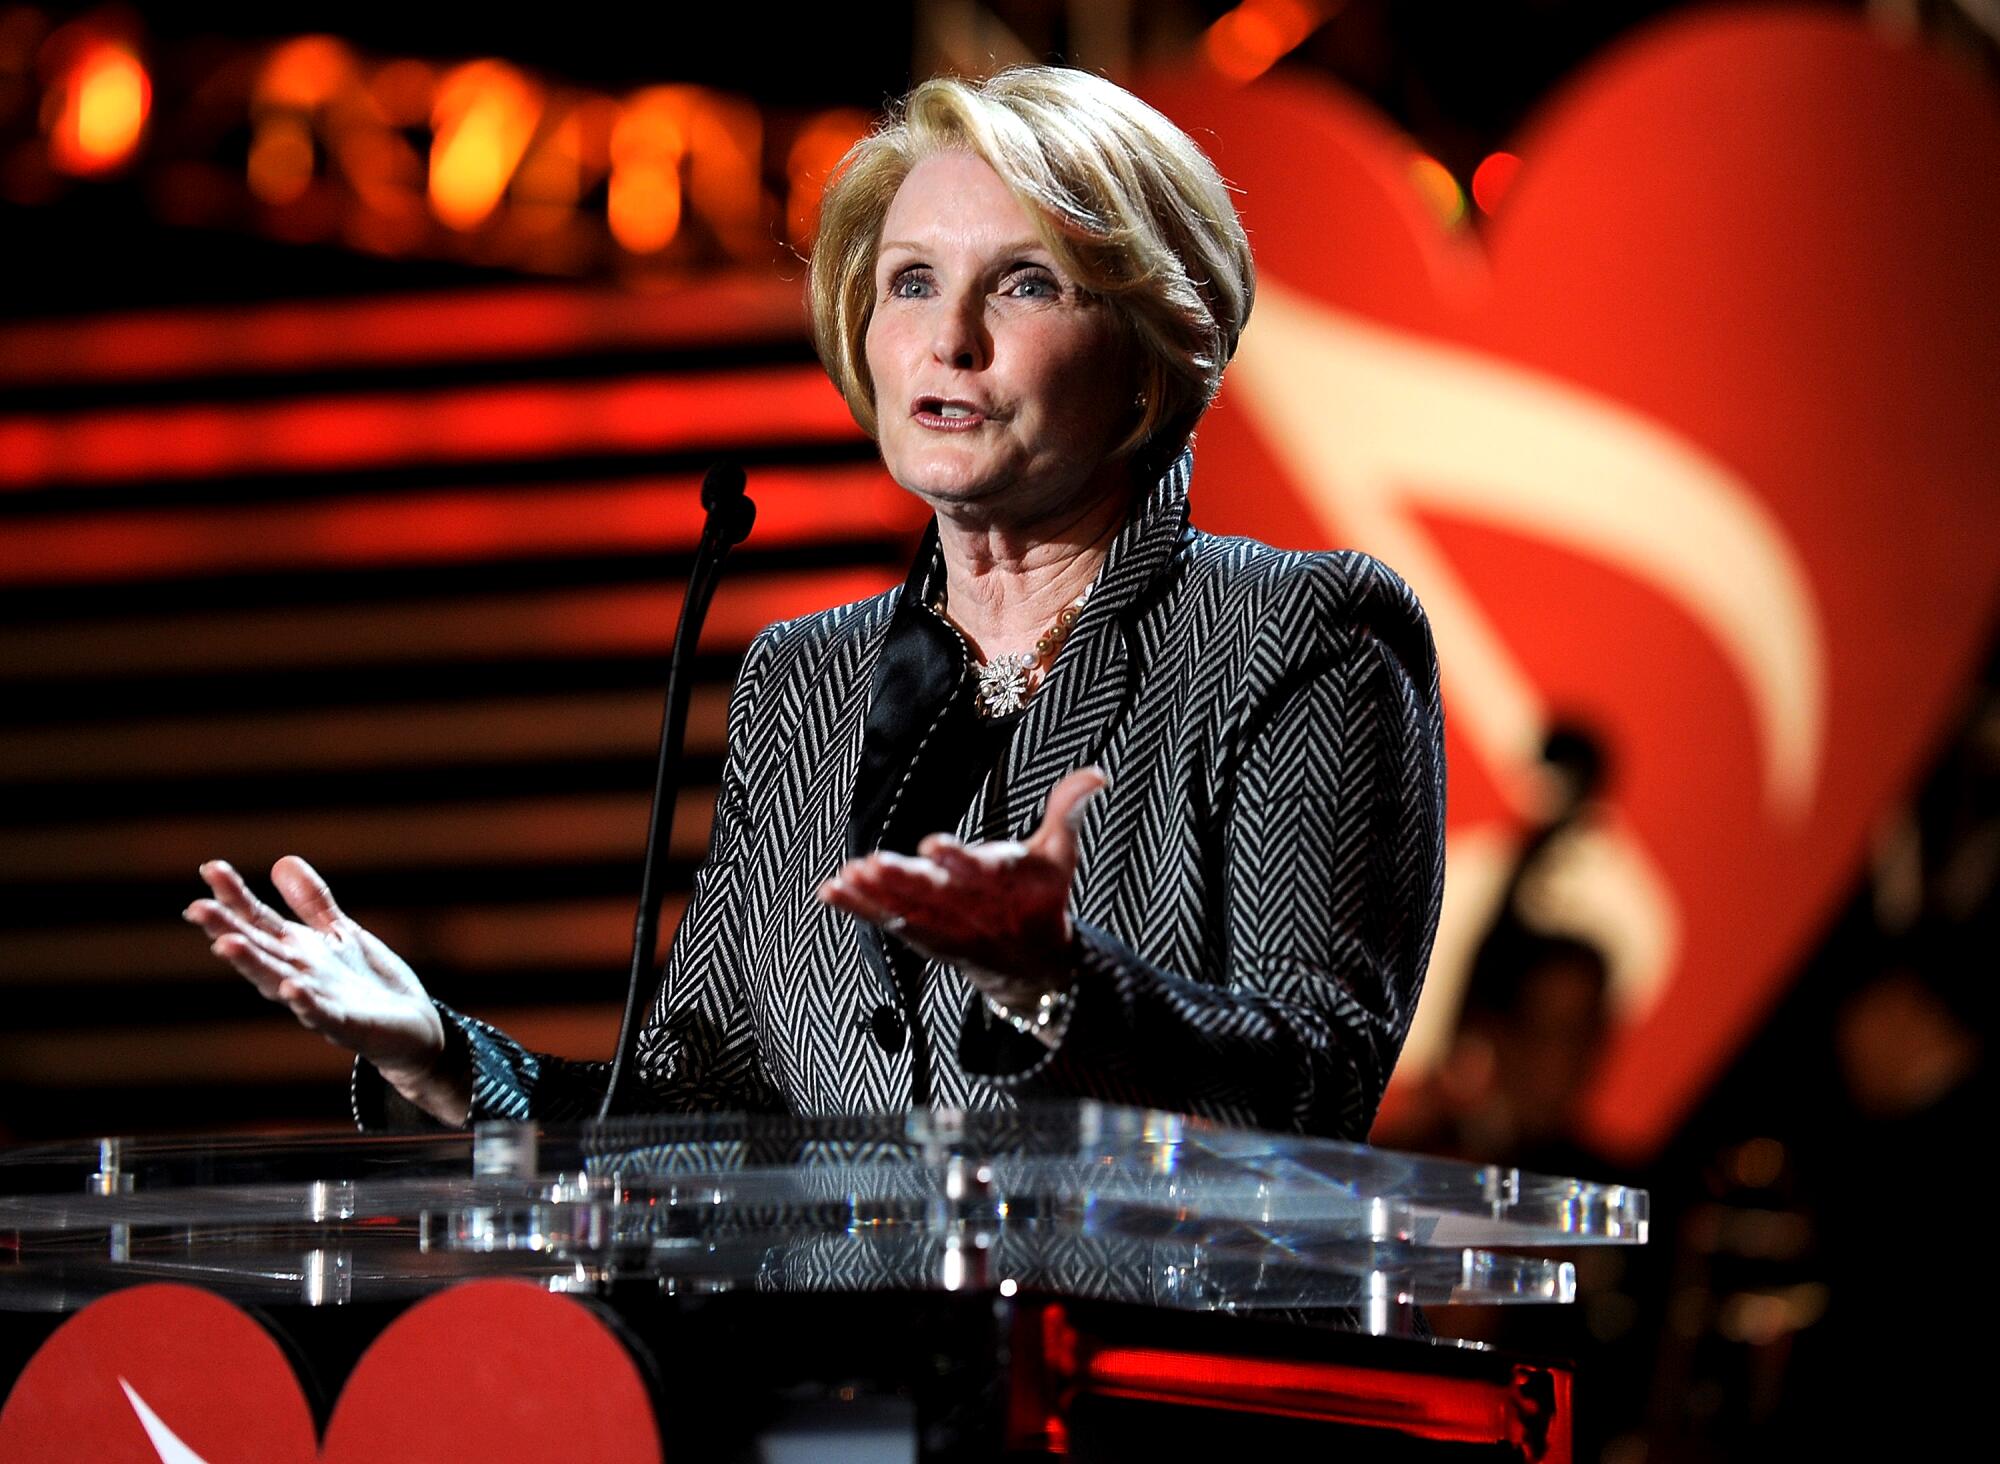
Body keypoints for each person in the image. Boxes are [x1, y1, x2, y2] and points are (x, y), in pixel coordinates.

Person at [183, 66, 1445, 1140]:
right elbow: (695, 1110)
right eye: (909, 281)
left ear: (1152, 344)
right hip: (823, 1397)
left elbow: (1311, 1071)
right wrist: (438, 1054)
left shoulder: (1302, 635)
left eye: (1024, 284)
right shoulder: (806, 680)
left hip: (1124, 1392)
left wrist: (1055, 988)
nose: (947, 339)